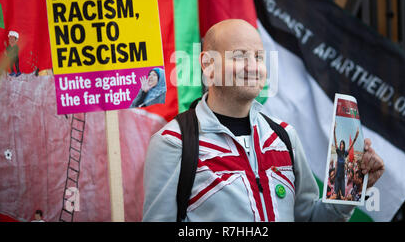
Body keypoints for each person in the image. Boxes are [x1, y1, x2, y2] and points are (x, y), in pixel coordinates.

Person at [142, 19, 385, 222]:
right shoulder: (174, 143)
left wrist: (351, 187)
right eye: (240, 56)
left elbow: (309, 218)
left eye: (258, 57)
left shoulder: (283, 136)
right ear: (208, 65)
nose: (253, 67)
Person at [333, 122, 359, 200]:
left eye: (342, 144)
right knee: (335, 193)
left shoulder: (345, 153)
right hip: (337, 175)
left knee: (342, 195)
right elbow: (335, 140)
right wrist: (334, 130)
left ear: (344, 145)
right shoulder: (338, 151)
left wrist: (356, 135)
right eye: (340, 144)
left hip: (343, 176)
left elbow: (353, 143)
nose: (341, 146)